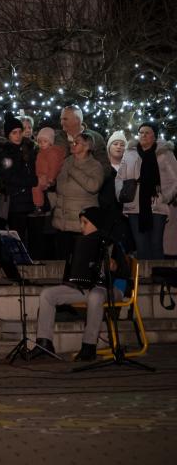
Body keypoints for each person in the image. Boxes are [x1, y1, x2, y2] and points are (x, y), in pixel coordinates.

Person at [29, 207, 129, 362]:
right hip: (87, 289)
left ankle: (89, 346)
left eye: (85, 222)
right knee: (47, 294)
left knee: (96, 295)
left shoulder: (112, 243)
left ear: (96, 223)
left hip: (112, 289)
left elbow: (125, 272)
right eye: (80, 222)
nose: (81, 226)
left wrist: (115, 266)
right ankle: (44, 343)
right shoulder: (80, 243)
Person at [118, 122, 177, 259]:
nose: (143, 135)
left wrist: (165, 197)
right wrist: (121, 195)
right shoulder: (130, 153)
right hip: (134, 205)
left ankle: (158, 272)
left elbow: (175, 179)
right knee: (141, 246)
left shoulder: (165, 153)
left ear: (154, 136)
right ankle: (143, 273)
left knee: (156, 244)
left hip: (157, 205)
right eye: (141, 132)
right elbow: (120, 177)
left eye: (147, 132)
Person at [52, 132, 104, 256]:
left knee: (79, 259)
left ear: (87, 147)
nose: (73, 144)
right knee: (62, 258)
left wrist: (74, 170)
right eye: (72, 142)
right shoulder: (66, 162)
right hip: (62, 221)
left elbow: (93, 186)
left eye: (77, 143)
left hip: (80, 224)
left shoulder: (95, 166)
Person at [0, 112, 37, 256]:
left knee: (28, 236)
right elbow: (8, 176)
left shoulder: (28, 149)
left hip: (28, 199)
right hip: (15, 200)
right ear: (8, 135)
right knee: (16, 234)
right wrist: (32, 181)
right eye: (14, 133)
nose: (18, 135)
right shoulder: (6, 153)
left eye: (20, 132)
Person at [33, 127, 65, 213]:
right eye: (40, 142)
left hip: (46, 177)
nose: (42, 144)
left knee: (36, 186)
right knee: (35, 187)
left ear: (50, 142)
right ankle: (38, 205)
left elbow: (54, 167)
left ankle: (38, 206)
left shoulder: (52, 153)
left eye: (45, 141)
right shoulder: (41, 152)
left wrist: (50, 179)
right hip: (40, 175)